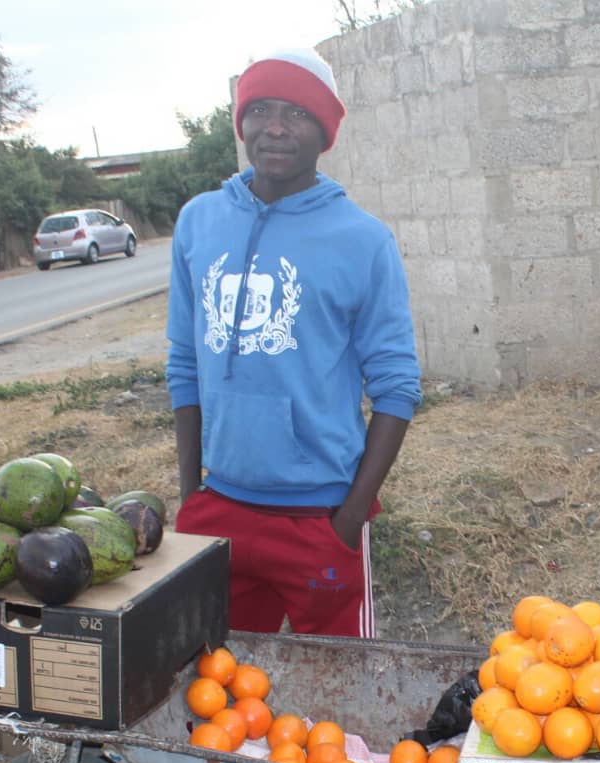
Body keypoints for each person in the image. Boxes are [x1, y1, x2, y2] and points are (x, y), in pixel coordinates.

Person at [166, 47, 423, 638]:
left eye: (298, 113)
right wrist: (190, 499)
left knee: (339, 704)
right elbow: (184, 363)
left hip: (319, 514)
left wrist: (347, 519)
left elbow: (396, 386)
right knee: (221, 689)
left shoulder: (363, 240)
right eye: (260, 108)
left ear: (325, 131)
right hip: (218, 508)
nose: (276, 127)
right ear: (240, 122)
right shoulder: (199, 222)